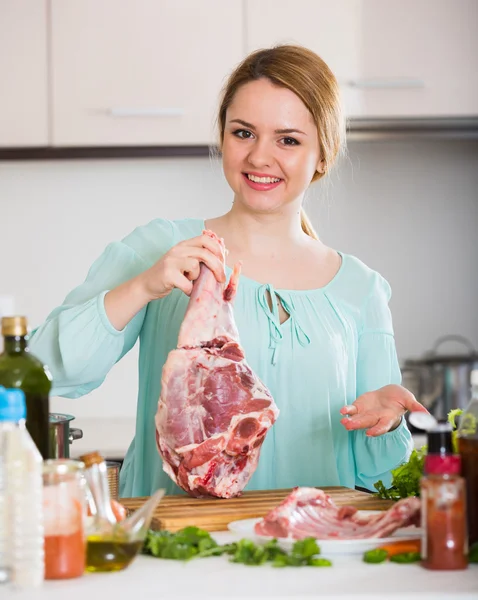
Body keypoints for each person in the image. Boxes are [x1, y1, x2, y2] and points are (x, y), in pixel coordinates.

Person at [30, 45, 426, 498]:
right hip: (178, 549)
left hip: (307, 557)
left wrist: (385, 421)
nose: (259, 157)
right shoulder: (163, 248)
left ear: (323, 155)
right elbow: (43, 372)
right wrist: (142, 286)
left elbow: (378, 480)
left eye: (288, 140)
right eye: (243, 133)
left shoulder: (361, 289)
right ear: (222, 136)